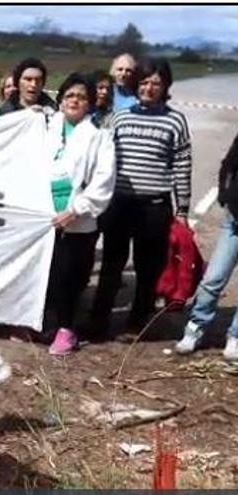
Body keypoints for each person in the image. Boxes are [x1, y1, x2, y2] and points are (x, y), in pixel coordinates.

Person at [89, 57, 193, 340]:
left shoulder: (176, 121)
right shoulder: (120, 117)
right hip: (119, 204)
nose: (149, 88)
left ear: (166, 86)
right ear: (136, 85)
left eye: (156, 84)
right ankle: (97, 323)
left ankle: (136, 324)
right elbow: (104, 160)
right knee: (111, 266)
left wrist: (182, 209)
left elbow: (182, 166)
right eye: (144, 82)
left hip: (155, 206)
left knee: (148, 269)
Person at [43, 73, 116, 355]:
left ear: (90, 104)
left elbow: (103, 181)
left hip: (78, 220)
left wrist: (76, 210)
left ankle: (66, 329)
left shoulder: (100, 138)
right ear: (60, 100)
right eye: (70, 95)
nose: (75, 101)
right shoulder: (44, 129)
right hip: (44, 218)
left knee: (71, 278)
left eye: (81, 97)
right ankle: (42, 323)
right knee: (46, 274)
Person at [175, 132, 238, 360]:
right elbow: (228, 165)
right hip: (234, 223)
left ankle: (235, 337)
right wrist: (224, 194)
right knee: (213, 279)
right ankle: (195, 327)